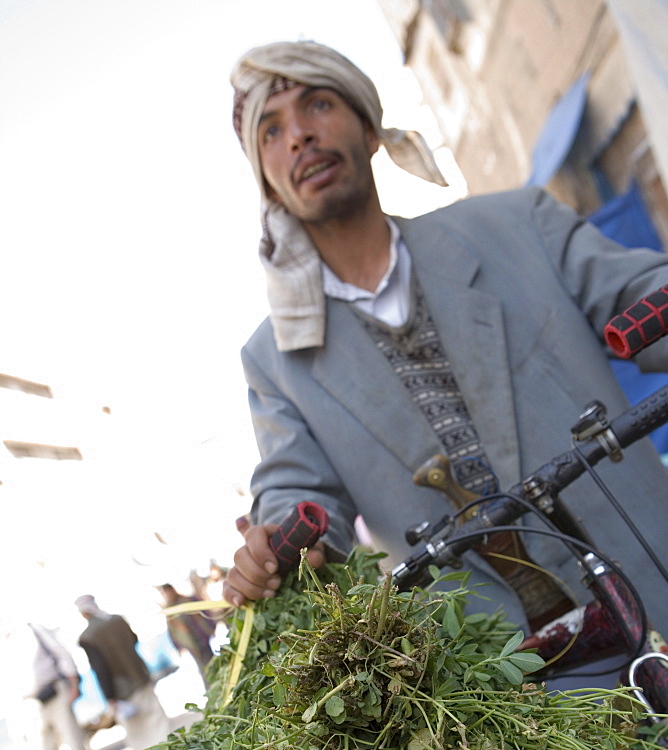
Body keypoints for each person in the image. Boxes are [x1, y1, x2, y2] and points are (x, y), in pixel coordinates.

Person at [223, 39, 668, 640]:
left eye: (319, 105)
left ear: (370, 129)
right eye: (270, 131)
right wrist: (276, 544)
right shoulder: (276, 360)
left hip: (650, 580)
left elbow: (640, 297)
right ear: (269, 184)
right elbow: (295, 493)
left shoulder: (518, 226)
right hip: (506, 688)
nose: (299, 135)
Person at [75, 595, 170, 750]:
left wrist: (109, 697)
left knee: (138, 733)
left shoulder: (87, 637)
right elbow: (134, 640)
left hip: (121, 689)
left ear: (83, 613)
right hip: (140, 674)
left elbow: (100, 669)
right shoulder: (117, 620)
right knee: (157, 721)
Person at [27, 622, 99, 750]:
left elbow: (61, 653)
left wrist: (73, 682)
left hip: (57, 690)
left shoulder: (33, 630)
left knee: (75, 745)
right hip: (37, 701)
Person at [158, 583, 216, 686]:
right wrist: (178, 647)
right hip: (190, 643)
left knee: (212, 661)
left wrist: (211, 627)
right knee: (202, 667)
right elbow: (172, 631)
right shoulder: (170, 611)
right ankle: (212, 687)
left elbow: (204, 612)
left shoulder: (188, 601)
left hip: (202, 637)